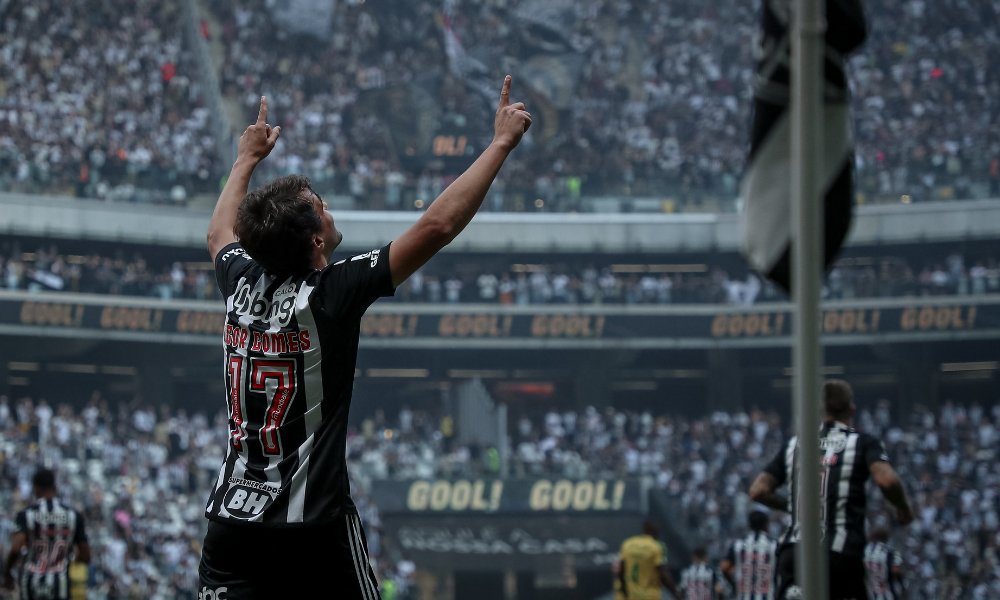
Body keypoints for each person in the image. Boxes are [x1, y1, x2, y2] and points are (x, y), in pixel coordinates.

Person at [198, 75, 531, 598]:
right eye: (322, 206)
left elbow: (220, 232)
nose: (330, 210)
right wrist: (500, 144)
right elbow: (435, 228)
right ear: (315, 240)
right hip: (312, 529)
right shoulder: (331, 294)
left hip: (231, 524)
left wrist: (245, 159)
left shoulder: (239, 282)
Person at [748, 379, 915, 600]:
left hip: (795, 553)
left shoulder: (794, 445)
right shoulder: (862, 442)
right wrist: (903, 507)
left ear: (819, 410)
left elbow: (758, 490)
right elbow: (887, 481)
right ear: (852, 409)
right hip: (840, 555)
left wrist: (791, 505)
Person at [3, 468, 91, 600]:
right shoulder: (73, 516)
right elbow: (85, 555)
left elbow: (16, 547)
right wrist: (69, 556)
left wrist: (8, 571)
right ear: (54, 487)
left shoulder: (27, 514)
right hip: (59, 584)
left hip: (30, 582)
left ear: (36, 488)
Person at [613, 520, 680, 600]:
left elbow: (621, 570)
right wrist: (675, 593)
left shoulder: (628, 543)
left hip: (632, 595)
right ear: (657, 531)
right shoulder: (655, 547)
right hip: (650, 596)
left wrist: (624, 590)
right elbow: (663, 574)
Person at [720, 510, 778, 600]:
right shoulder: (774, 545)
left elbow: (724, 567)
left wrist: (734, 584)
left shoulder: (739, 545)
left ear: (749, 525)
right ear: (766, 525)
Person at [863, 527, 904, 600]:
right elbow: (896, 570)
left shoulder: (865, 550)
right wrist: (902, 586)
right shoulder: (891, 551)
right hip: (888, 594)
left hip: (870, 594)